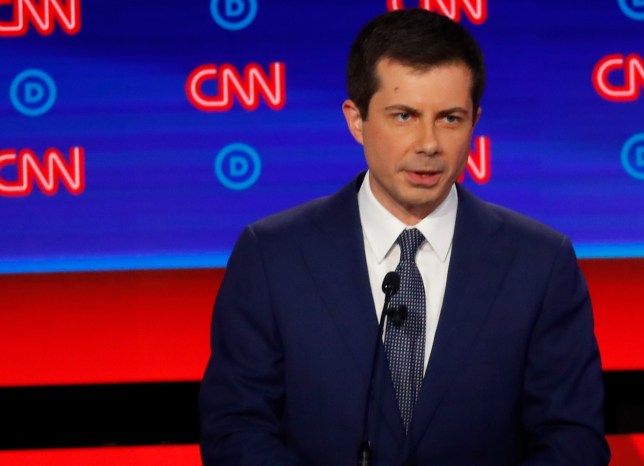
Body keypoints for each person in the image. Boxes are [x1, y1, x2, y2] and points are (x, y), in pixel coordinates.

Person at [199, 8, 609, 466]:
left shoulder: (540, 262)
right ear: (357, 120)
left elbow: (573, 440)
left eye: (450, 118)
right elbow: (235, 429)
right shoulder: (273, 255)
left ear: (475, 120)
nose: (429, 143)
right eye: (404, 115)